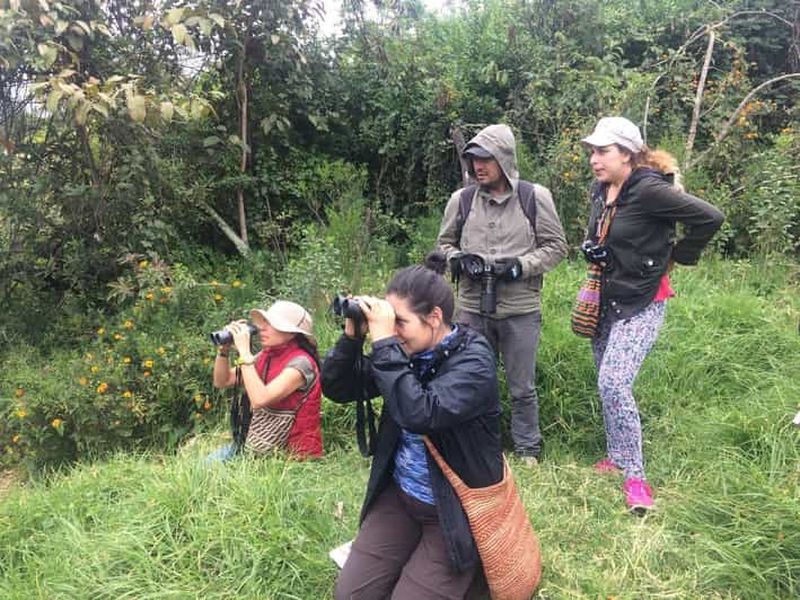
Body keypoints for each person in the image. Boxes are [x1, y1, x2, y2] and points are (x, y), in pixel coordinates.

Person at [322, 254, 502, 599]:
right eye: (390, 321)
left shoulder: (474, 361)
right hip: (402, 495)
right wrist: (352, 338)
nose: (393, 332)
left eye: (400, 322)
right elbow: (339, 388)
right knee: (351, 595)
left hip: (453, 507)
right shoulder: (404, 351)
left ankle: (468, 569)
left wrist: (385, 344)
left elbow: (420, 413)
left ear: (434, 317)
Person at [579, 116, 724, 512]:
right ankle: (616, 456)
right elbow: (608, 233)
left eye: (603, 151)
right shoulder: (602, 188)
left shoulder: (650, 190)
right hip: (607, 296)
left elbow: (710, 217)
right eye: (592, 151)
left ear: (627, 154)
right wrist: (593, 248)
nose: (594, 159)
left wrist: (677, 255)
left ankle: (636, 478)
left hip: (642, 300)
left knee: (614, 384)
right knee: (605, 381)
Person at [437, 123, 568, 463]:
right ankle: (476, 445)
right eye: (474, 159)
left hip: (520, 307)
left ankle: (527, 448)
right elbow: (443, 245)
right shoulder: (462, 200)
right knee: (469, 380)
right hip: (471, 305)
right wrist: (459, 260)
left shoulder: (533, 197)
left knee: (522, 385)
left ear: (504, 159)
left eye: (486, 158)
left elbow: (557, 247)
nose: (478, 166)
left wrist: (520, 266)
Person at [209, 300, 322, 461]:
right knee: (203, 466)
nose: (262, 328)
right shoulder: (267, 355)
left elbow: (260, 400)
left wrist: (244, 352)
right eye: (264, 322)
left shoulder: (301, 364)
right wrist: (223, 351)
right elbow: (223, 381)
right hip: (258, 443)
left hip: (291, 456)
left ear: (292, 333)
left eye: (271, 324)